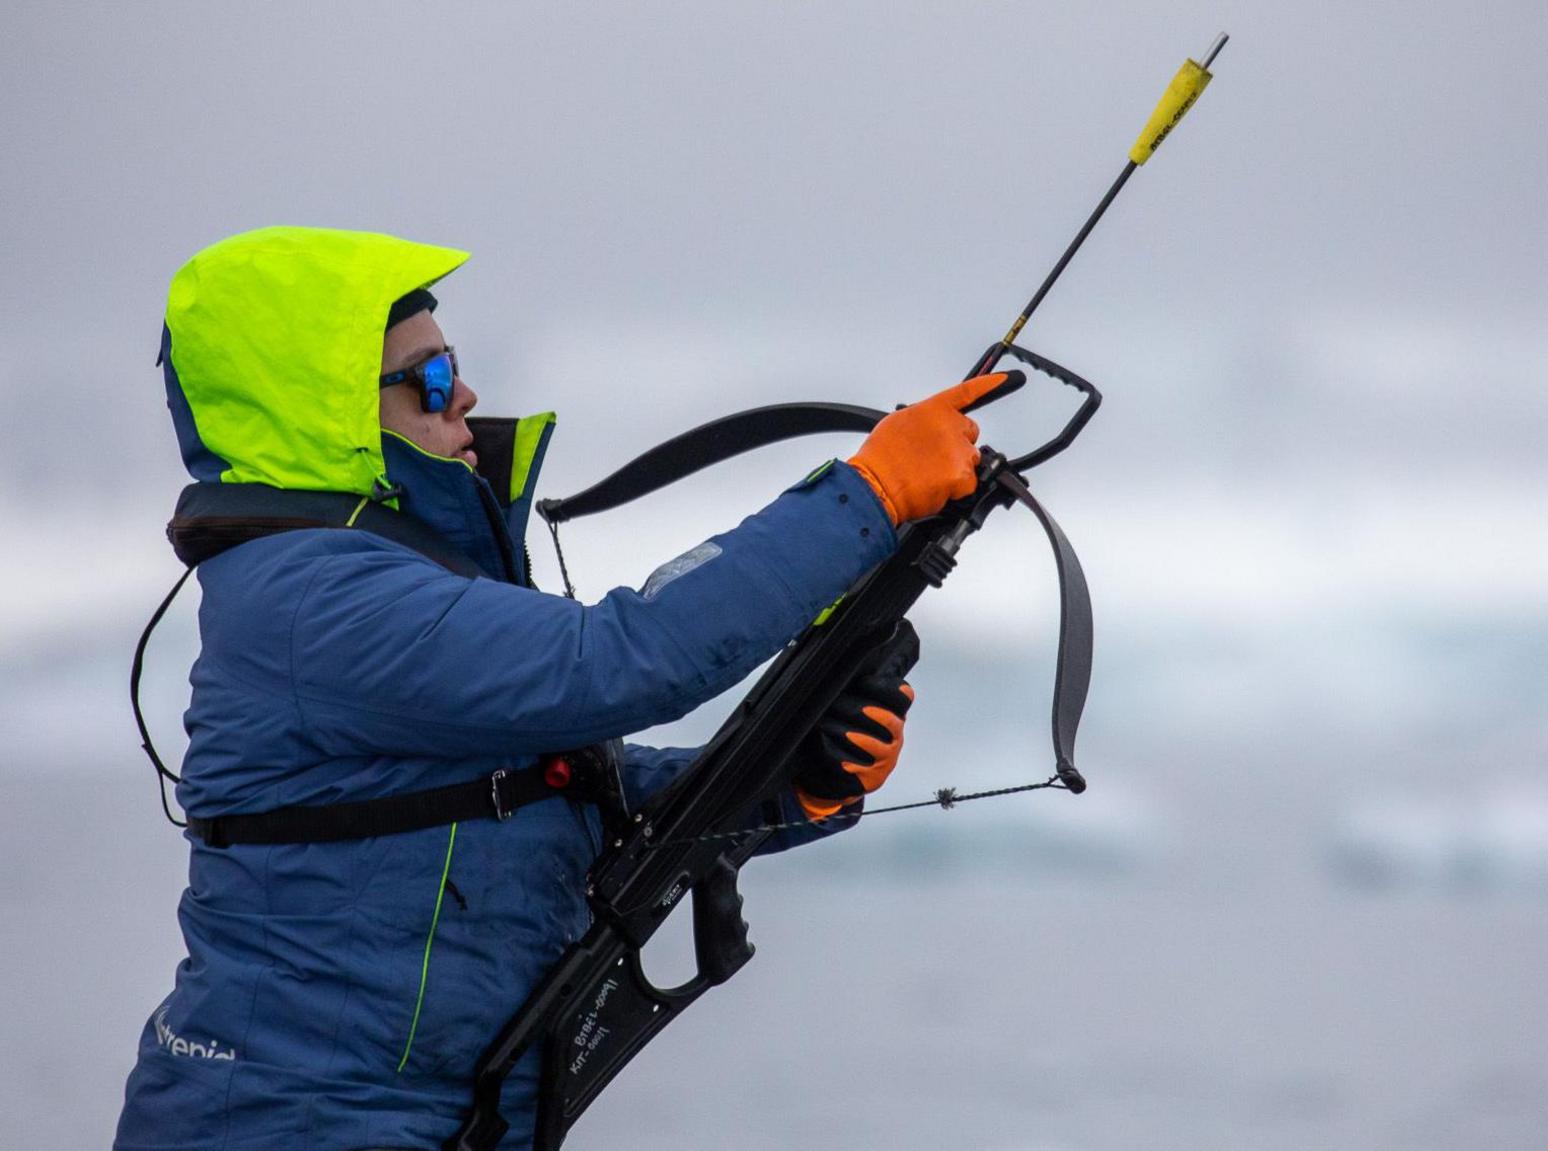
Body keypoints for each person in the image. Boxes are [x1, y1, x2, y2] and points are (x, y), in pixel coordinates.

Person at [115, 225, 1004, 1150]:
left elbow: (550, 798)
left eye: (451, 364)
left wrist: (795, 782)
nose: (461, 394)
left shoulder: (386, 575)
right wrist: (868, 496)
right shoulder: (317, 597)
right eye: (423, 378)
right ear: (324, 414)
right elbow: (616, 662)